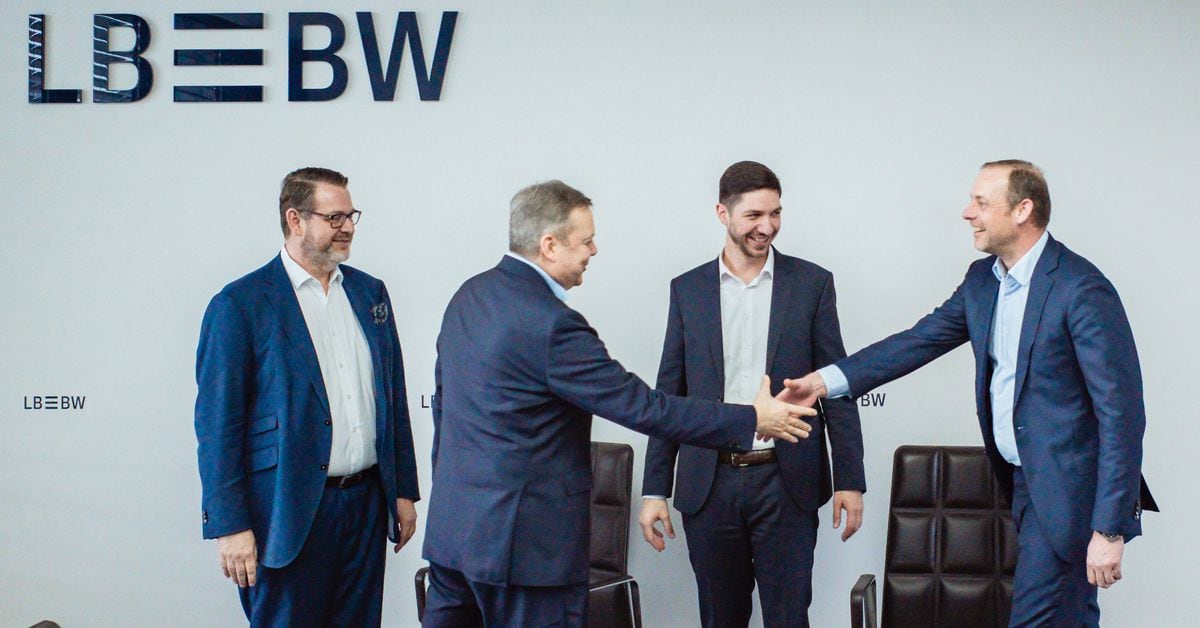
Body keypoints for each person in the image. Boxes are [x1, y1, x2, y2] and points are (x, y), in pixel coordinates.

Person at [420, 180, 817, 627]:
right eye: (586, 241)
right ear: (549, 245)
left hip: (453, 539)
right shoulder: (553, 325)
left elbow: (445, 411)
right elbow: (645, 408)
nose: (594, 251)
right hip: (525, 554)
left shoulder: (468, 296)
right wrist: (752, 418)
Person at [784, 160, 1156, 626]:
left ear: (1022, 210)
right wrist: (824, 381)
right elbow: (916, 342)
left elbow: (1121, 415)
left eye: (981, 202)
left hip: (1070, 494)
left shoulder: (1080, 288)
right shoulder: (983, 281)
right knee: (1071, 617)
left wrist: (1109, 528)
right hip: (1023, 484)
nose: (967, 213)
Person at [639, 161, 866, 627]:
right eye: (754, 215)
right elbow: (670, 395)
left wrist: (849, 478)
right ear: (723, 213)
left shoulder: (812, 284)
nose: (767, 226)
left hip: (787, 481)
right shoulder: (687, 290)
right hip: (709, 484)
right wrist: (655, 489)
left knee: (788, 618)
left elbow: (836, 386)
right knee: (721, 619)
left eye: (775, 213)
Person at [194, 167, 420, 626]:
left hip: (364, 506)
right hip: (287, 513)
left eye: (351, 216)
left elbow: (392, 398)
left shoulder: (369, 292)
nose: (347, 227)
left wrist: (403, 491)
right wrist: (230, 525)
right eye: (334, 218)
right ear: (294, 220)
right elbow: (218, 426)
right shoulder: (240, 304)